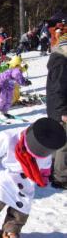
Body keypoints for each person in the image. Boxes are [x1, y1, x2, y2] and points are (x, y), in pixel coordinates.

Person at [0, 118, 66, 238]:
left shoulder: (45, 147)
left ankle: (10, 230)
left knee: (21, 210)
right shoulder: (8, 137)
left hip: (27, 180)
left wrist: (44, 175)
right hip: (6, 177)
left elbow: (45, 163)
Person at [46, 33, 67, 189]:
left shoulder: (59, 61)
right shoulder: (60, 63)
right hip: (60, 109)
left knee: (57, 140)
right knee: (63, 143)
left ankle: (53, 171)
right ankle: (61, 177)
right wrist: (63, 111)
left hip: (56, 108)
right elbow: (57, 89)